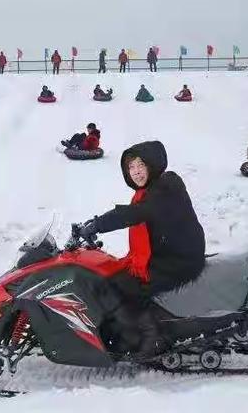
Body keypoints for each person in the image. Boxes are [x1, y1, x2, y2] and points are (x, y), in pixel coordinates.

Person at [78, 141, 205, 356]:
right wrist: (93, 222)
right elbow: (135, 211)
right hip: (167, 254)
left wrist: (98, 225)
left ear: (153, 165)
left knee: (122, 285)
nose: (136, 172)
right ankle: (124, 331)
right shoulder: (149, 191)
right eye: (131, 168)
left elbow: (136, 213)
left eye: (140, 165)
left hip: (179, 260)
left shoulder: (166, 186)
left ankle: (151, 337)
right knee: (113, 276)